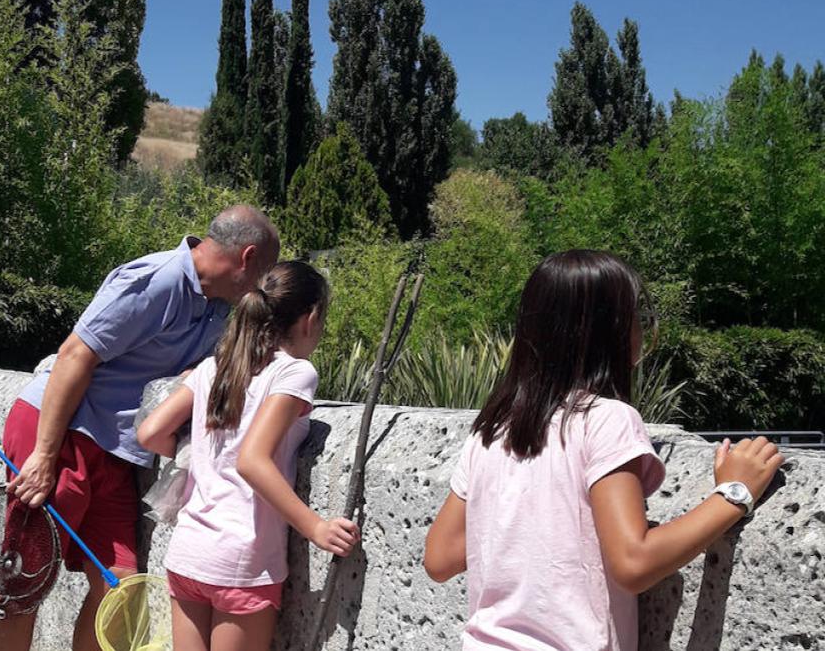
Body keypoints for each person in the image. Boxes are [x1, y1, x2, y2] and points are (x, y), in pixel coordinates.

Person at [423, 250, 784, 650]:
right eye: (636, 318)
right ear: (609, 331)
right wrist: (735, 493)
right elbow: (633, 563)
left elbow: (440, 558)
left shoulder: (492, 430)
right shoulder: (607, 420)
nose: (641, 330)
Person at [0, 205, 280, 651]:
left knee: (120, 587)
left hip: (113, 448)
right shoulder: (158, 281)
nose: (260, 286)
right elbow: (75, 355)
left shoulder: (217, 306)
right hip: (59, 431)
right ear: (246, 258)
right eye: (262, 273)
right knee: (24, 578)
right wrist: (45, 456)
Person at [138, 261, 360, 651]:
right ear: (310, 319)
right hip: (241, 561)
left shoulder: (214, 367)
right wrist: (316, 528)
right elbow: (252, 460)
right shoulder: (294, 373)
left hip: (189, 551)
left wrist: (203, 455)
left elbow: (150, 432)